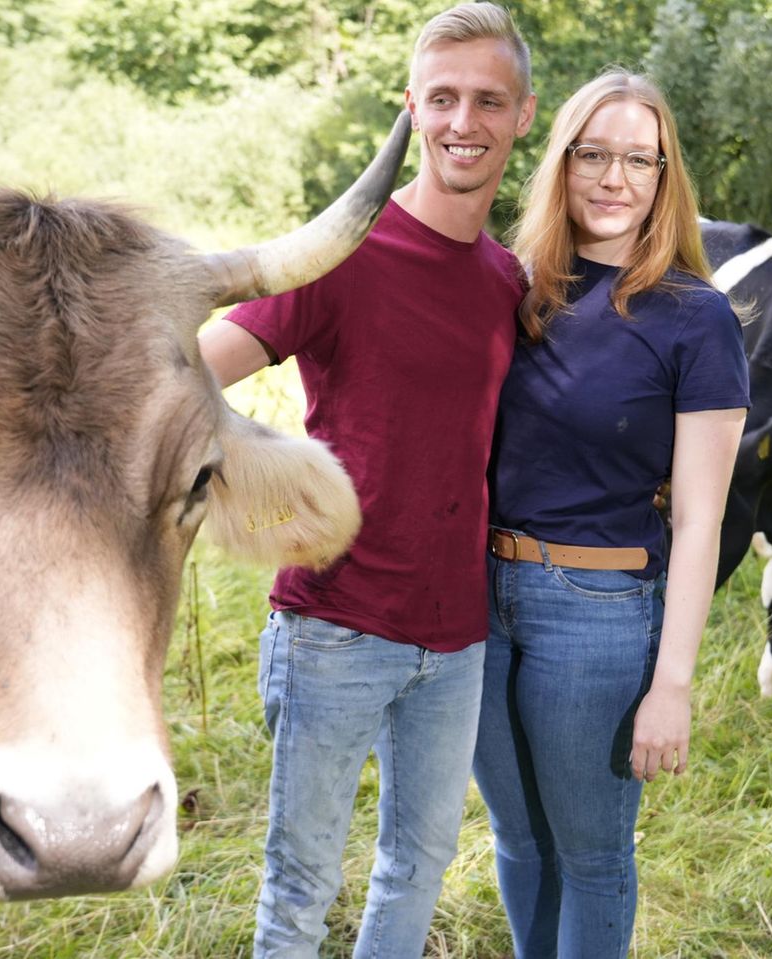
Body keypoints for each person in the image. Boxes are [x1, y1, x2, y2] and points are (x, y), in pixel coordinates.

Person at [197, 4, 536, 956]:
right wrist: (256, 478)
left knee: (417, 866)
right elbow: (185, 371)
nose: (463, 120)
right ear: (412, 110)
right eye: (442, 99)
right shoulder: (340, 256)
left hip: (457, 636)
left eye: (486, 100)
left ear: (521, 115)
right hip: (333, 628)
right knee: (302, 884)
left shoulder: (505, 278)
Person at [473, 71, 750, 957]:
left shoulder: (695, 319)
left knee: (591, 856)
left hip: (594, 616)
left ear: (665, 176)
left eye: (639, 158)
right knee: (518, 838)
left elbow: (703, 520)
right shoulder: (514, 287)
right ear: (561, 163)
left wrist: (672, 681)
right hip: (477, 602)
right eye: (593, 153)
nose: (614, 177)